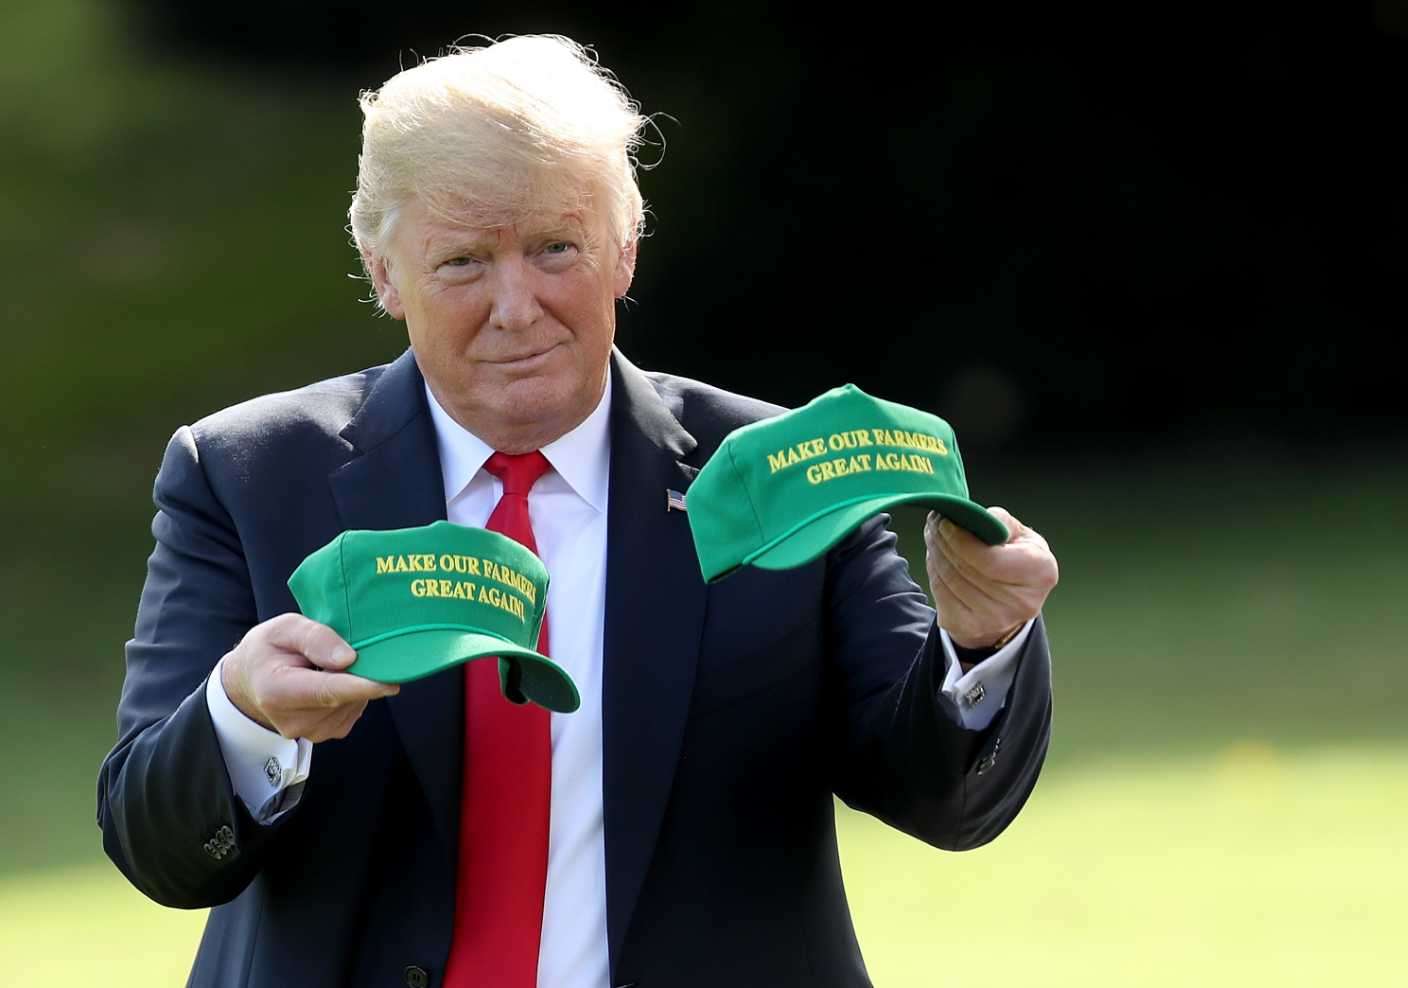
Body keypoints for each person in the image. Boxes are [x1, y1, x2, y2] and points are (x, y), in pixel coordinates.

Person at [97, 34, 1059, 988]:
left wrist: (979, 648)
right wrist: (244, 717)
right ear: (383, 272)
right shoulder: (248, 475)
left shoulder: (779, 472)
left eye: (556, 247)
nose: (517, 307)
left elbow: (942, 799)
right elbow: (157, 845)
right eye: (463, 261)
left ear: (625, 249)